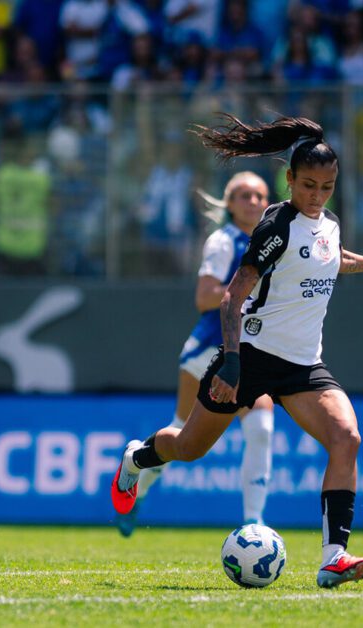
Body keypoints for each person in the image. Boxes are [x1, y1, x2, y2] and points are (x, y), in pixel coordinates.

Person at [111, 115, 363, 588]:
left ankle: (334, 556)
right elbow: (232, 295)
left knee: (347, 438)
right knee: (188, 447)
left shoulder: (328, 223)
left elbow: (330, 259)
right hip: (250, 357)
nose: (317, 195)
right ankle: (136, 458)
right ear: (289, 179)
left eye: (327, 187)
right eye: (308, 185)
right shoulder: (276, 224)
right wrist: (231, 360)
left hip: (303, 365)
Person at [115, 170, 277, 537]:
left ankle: (253, 521)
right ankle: (139, 485)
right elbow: (204, 297)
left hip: (249, 352)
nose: (253, 202)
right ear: (230, 203)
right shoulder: (224, 241)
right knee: (187, 434)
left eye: (259, 196)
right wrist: (246, 286)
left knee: (247, 429)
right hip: (210, 350)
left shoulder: (274, 242)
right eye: (244, 195)